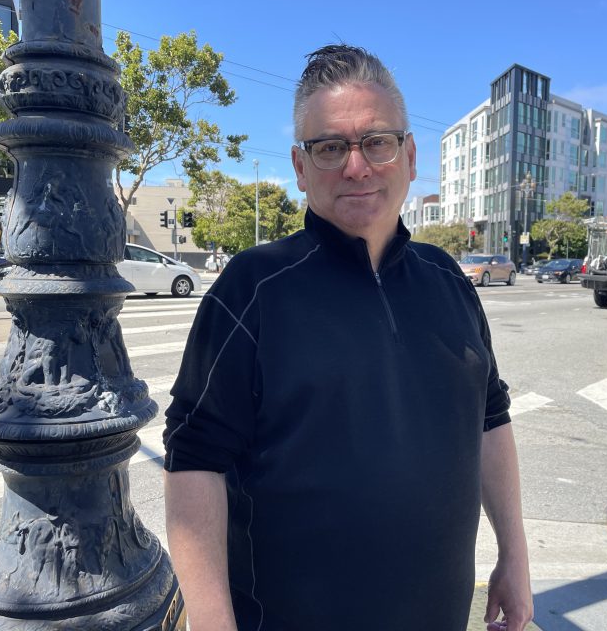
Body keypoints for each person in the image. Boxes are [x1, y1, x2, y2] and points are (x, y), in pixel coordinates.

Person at [163, 44, 533, 631]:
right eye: (330, 147)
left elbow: (490, 417)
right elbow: (195, 457)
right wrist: (210, 619)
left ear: (410, 156)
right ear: (300, 166)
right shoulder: (252, 289)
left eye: (377, 142)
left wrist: (514, 555)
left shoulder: (450, 283)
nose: (356, 166)